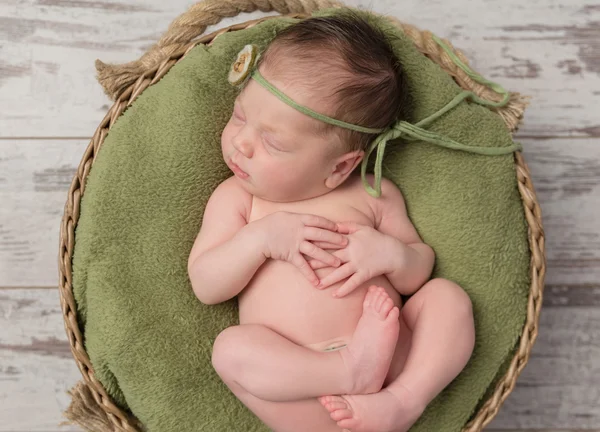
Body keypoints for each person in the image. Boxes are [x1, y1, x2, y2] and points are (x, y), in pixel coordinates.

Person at [188, 8, 475, 432]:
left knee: (448, 299)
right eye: (240, 116)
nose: (241, 143)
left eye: (272, 142)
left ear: (340, 167)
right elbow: (206, 283)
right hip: (301, 383)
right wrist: (260, 239)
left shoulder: (373, 194)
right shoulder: (239, 199)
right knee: (231, 350)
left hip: (396, 354)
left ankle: (404, 401)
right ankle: (348, 370)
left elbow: (418, 273)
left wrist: (392, 256)